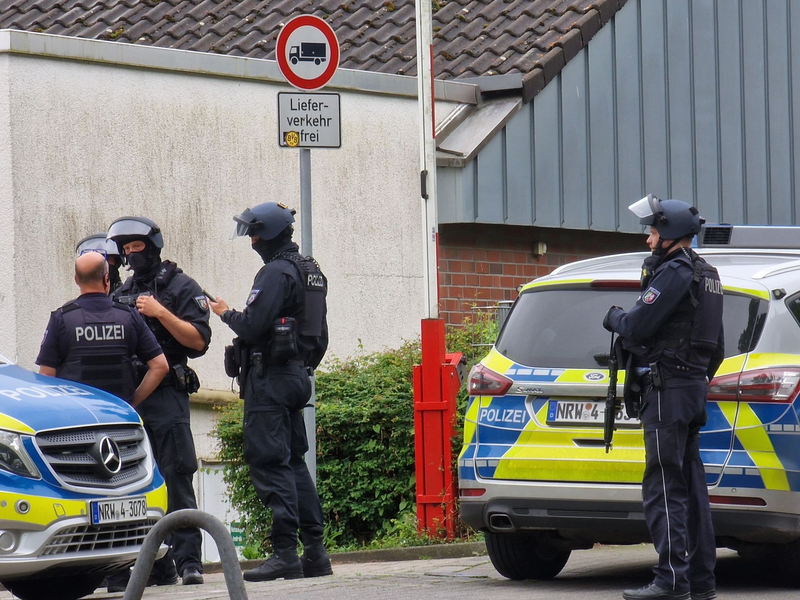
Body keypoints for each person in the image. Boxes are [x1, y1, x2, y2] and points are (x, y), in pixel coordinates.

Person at [603, 196, 724, 600]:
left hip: (668, 390)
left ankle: (670, 580)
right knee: (691, 486)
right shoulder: (707, 273)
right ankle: (700, 583)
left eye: (653, 231)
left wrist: (614, 316)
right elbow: (717, 348)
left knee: (663, 484)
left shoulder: (674, 272)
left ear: (670, 232)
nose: (649, 238)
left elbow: (637, 326)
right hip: (690, 388)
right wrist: (692, 378)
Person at [208, 201, 332, 582]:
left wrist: (226, 313)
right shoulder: (311, 272)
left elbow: (252, 326)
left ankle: (284, 554)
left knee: (269, 461)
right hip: (297, 376)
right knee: (293, 462)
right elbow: (321, 335)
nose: (252, 240)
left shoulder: (275, 272)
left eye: (255, 233)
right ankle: (315, 553)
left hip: (272, 380)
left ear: (272, 233)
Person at [107, 216, 211, 587]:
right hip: (131, 400)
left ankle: (188, 563)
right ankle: (148, 566)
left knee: (176, 479)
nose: (132, 255)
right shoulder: (121, 293)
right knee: (130, 485)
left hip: (166, 396)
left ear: (153, 246)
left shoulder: (181, 286)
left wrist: (160, 312)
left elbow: (198, 341)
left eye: (137, 247)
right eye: (126, 249)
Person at [36, 251, 169, 405]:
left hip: (78, 418)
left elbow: (46, 376)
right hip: (120, 418)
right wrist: (131, 404)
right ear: (106, 279)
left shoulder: (62, 318)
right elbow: (160, 366)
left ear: (76, 280)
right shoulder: (129, 316)